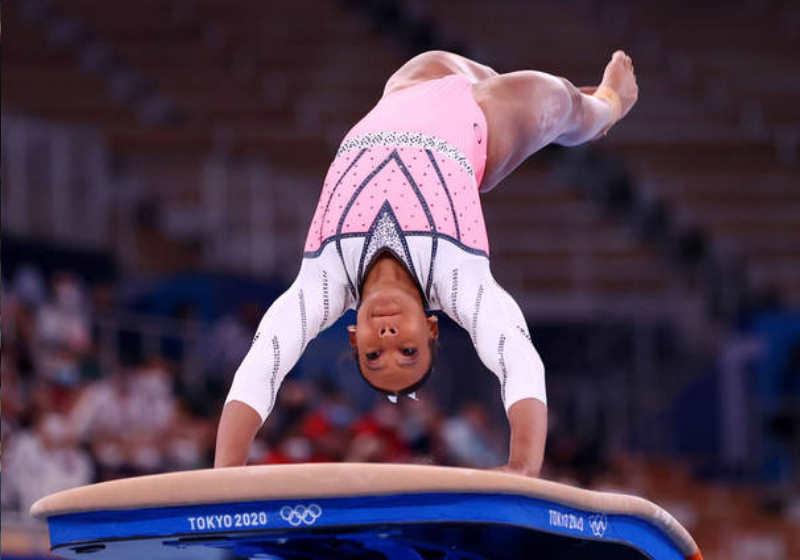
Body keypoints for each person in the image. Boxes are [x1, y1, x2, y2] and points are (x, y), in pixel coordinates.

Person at [215, 50, 638, 476]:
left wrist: (225, 474)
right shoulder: (454, 276)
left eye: (374, 354)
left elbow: (264, 362)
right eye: (408, 350)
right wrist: (524, 465)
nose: (388, 337)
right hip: (488, 125)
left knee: (437, 63)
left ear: (354, 337)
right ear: (431, 328)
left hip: (409, 89)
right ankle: (608, 106)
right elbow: (515, 352)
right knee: (564, 104)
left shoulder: (325, 280)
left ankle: (577, 107)